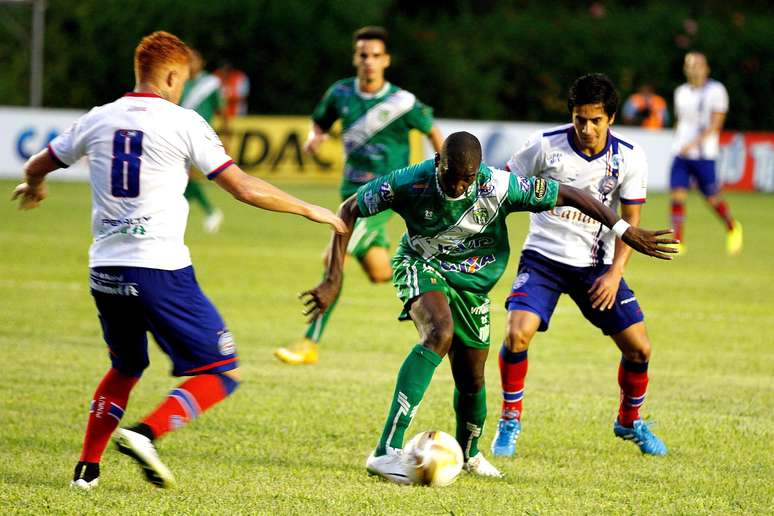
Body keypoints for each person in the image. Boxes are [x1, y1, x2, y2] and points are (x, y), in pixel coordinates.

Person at [11, 31, 346, 491]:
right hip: (159, 270)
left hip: (104, 271)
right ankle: (145, 433)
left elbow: (38, 164)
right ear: (171, 75)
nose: (183, 89)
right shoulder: (182, 121)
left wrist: (35, 186)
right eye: (183, 80)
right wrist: (310, 208)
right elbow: (244, 187)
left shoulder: (98, 118)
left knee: (126, 366)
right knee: (220, 372)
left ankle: (86, 471)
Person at [302, 131, 676, 484]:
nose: (459, 186)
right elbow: (349, 208)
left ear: (477, 172)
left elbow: (572, 194)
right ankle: (386, 450)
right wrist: (334, 276)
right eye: (451, 177)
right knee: (439, 333)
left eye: (466, 179)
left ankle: (469, 454)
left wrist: (624, 231)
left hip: (474, 286)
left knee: (472, 378)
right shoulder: (409, 182)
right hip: (421, 264)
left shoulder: (499, 186)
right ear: (438, 162)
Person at [490, 73, 669, 460]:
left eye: (595, 120)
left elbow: (630, 222)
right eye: (579, 119)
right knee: (517, 334)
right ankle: (509, 419)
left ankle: (629, 420)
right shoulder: (542, 146)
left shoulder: (629, 157)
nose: (586, 129)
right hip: (543, 259)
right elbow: (500, 186)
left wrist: (615, 272)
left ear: (611, 118)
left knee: (640, 349)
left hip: (596, 267)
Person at [273, 25, 443, 365]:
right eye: (363, 55)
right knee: (380, 271)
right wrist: (314, 136)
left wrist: (444, 171)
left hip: (385, 193)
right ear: (355, 58)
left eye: (375, 56)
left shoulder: (402, 102)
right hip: (350, 193)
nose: (369, 62)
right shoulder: (340, 94)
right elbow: (320, 121)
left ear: (386, 60)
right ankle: (419, 276)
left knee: (332, 257)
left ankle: (309, 343)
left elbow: (434, 132)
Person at [670, 51, 742, 256]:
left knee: (712, 199)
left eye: (697, 64)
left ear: (706, 68)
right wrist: (679, 142)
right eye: (689, 64)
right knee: (677, 195)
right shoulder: (681, 92)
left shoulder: (716, 90)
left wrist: (692, 144)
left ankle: (732, 227)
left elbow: (715, 125)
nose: (693, 68)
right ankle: (678, 241)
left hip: (704, 155)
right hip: (681, 154)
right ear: (685, 68)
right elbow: (681, 121)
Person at [180, 49, 226, 233]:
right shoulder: (181, 83)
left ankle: (211, 211)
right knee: (182, 176)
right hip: (179, 134)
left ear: (201, 62)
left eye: (193, 60)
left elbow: (221, 110)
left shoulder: (210, 83)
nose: (190, 64)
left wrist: (225, 135)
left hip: (200, 135)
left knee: (186, 175)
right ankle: (204, 211)